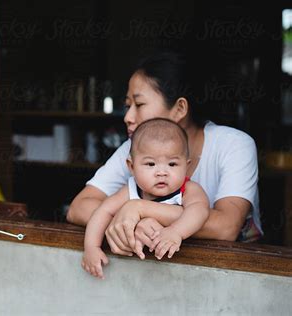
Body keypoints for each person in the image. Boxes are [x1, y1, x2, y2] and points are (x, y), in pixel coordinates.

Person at [67, 52, 263, 259]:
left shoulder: (233, 145)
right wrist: (137, 224)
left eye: (139, 105)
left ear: (179, 108)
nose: (127, 117)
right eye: (127, 106)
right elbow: (78, 208)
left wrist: (140, 208)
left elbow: (225, 227)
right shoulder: (133, 148)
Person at [82, 118, 209, 279]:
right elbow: (102, 211)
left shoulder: (188, 190)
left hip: (179, 271)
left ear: (186, 165)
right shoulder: (130, 189)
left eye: (172, 164)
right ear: (132, 167)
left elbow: (200, 211)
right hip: (136, 273)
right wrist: (91, 247)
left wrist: (176, 232)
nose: (161, 172)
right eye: (150, 164)